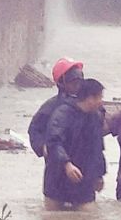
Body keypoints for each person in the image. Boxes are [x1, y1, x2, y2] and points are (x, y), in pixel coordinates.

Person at [43, 79, 106, 211]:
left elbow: (98, 148)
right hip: (57, 177)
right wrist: (67, 164)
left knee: (89, 217)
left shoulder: (96, 117)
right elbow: (54, 142)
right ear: (89, 98)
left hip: (84, 179)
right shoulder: (62, 114)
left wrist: (99, 174)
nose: (102, 101)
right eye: (99, 97)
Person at [28, 58, 84, 158]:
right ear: (62, 83)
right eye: (74, 83)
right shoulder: (50, 107)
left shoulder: (87, 104)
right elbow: (35, 129)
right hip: (57, 163)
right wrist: (42, 146)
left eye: (80, 82)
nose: (78, 86)